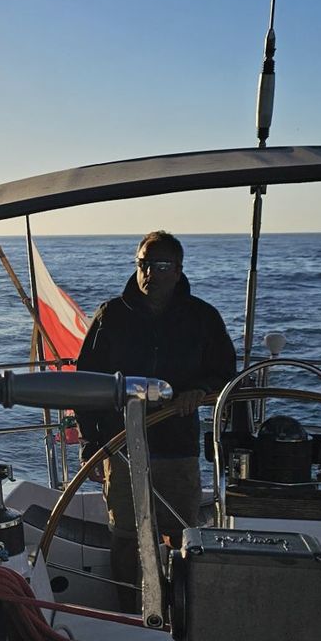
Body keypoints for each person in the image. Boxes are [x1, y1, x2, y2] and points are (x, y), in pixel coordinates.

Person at [73, 231, 236, 607]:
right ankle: (130, 610)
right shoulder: (110, 315)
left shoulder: (203, 317)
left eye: (161, 266)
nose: (151, 273)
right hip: (123, 447)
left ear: (178, 271)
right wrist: (91, 443)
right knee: (125, 535)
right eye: (144, 263)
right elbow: (87, 382)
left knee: (180, 535)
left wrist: (201, 390)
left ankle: (179, 609)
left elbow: (225, 370)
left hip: (178, 447)